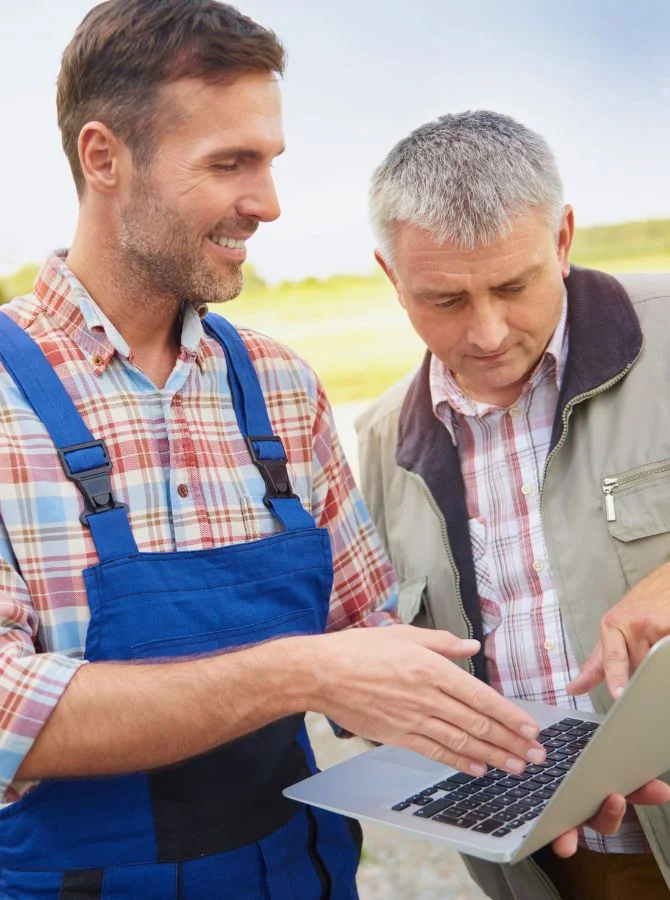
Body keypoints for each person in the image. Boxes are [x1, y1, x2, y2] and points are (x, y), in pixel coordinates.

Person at [0, 6, 553, 898]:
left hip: (299, 876)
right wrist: (298, 671)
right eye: (229, 164)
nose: (268, 202)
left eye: (269, 161)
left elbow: (369, 646)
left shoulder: (281, 386)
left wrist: (534, 764)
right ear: (104, 158)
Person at [356, 109, 670, 900]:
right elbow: (371, 679)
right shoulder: (377, 442)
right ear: (391, 278)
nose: (489, 332)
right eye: (445, 300)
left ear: (562, 239)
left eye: (512, 285)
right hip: (556, 868)